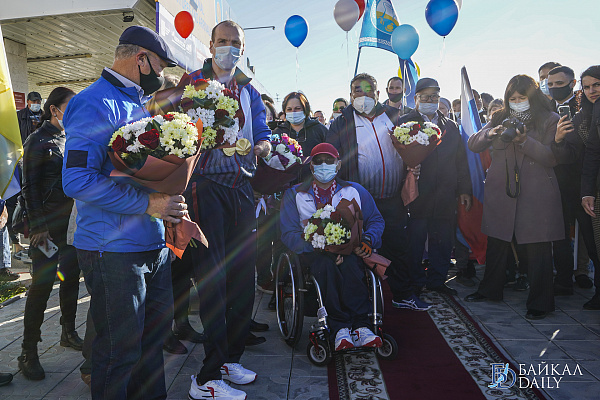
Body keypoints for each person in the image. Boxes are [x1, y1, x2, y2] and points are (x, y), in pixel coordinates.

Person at [62, 25, 184, 399]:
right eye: (160, 65)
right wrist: (147, 204)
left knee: (151, 349)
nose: (161, 74)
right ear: (141, 59)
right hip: (113, 252)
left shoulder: (141, 104)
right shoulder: (93, 102)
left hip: (152, 246)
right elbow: (77, 180)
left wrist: (168, 207)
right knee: (119, 355)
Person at [184, 20, 272, 400]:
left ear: (243, 48)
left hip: (242, 188)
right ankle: (206, 376)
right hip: (206, 187)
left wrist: (262, 147)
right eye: (222, 41)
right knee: (214, 280)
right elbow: (177, 130)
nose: (229, 48)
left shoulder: (249, 90)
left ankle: (229, 360)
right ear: (210, 45)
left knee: (242, 279)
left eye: (235, 42)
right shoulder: (192, 82)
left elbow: (263, 133)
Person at [328, 73, 431, 311]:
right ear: (350, 94)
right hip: (360, 200)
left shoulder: (393, 116)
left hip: (392, 197)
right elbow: (332, 157)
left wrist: (413, 166)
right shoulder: (341, 123)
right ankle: (361, 302)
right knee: (358, 250)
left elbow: (407, 146)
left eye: (368, 90)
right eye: (357, 90)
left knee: (398, 247)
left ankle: (402, 294)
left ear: (377, 93)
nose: (362, 95)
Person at [465, 74, 562, 320]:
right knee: (497, 240)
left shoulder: (550, 119)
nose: (517, 102)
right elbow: (473, 144)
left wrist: (525, 141)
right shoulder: (499, 117)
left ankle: (541, 302)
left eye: (522, 98)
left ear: (533, 97)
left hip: (536, 192)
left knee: (538, 246)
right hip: (502, 190)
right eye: (513, 98)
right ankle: (490, 289)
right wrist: (490, 133)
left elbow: (551, 157)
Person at [280, 143, 385, 351]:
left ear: (338, 165)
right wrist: (320, 247)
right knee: (326, 266)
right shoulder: (294, 194)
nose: (324, 165)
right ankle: (339, 327)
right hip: (312, 252)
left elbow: (376, 220)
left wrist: (368, 240)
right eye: (318, 161)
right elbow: (288, 233)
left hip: (349, 250)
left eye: (329, 160)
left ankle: (361, 326)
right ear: (311, 166)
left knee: (351, 264)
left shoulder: (354, 190)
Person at [17, 86, 83, 381]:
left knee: (70, 278)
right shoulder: (37, 140)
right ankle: (28, 351)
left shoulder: (70, 137)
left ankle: (68, 332)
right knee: (42, 286)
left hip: (71, 225)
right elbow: (29, 187)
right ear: (54, 109)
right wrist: (38, 227)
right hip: (46, 228)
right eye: (71, 106)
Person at [400, 78, 472, 296]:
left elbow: (460, 160)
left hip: (445, 193)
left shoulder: (450, 126)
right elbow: (396, 157)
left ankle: (437, 280)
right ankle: (415, 280)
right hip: (418, 193)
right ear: (416, 99)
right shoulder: (404, 124)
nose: (430, 101)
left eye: (434, 97)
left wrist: (464, 189)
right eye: (425, 97)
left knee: (442, 240)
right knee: (415, 240)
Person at [547, 65, 590, 294]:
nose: (554, 88)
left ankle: (583, 273)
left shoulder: (586, 107)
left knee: (589, 234)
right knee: (560, 234)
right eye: (550, 84)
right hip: (556, 182)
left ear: (573, 84)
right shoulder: (545, 109)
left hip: (583, 182)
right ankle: (563, 280)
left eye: (559, 84)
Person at [576, 65, 600, 309]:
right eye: (587, 87)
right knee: (595, 245)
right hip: (594, 187)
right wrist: (587, 192)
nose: (592, 91)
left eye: (597, 85)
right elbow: (591, 154)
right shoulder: (583, 116)